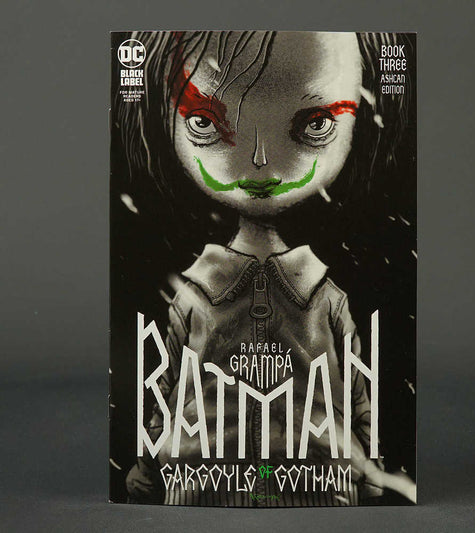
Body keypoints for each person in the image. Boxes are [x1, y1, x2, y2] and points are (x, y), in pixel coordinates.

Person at [122, 30, 415, 506]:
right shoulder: (195, 294)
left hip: (315, 489)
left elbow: (357, 396)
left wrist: (364, 461)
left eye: (316, 123)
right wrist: (152, 464)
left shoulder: (324, 295)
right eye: (204, 121)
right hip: (202, 490)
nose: (259, 161)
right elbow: (163, 394)